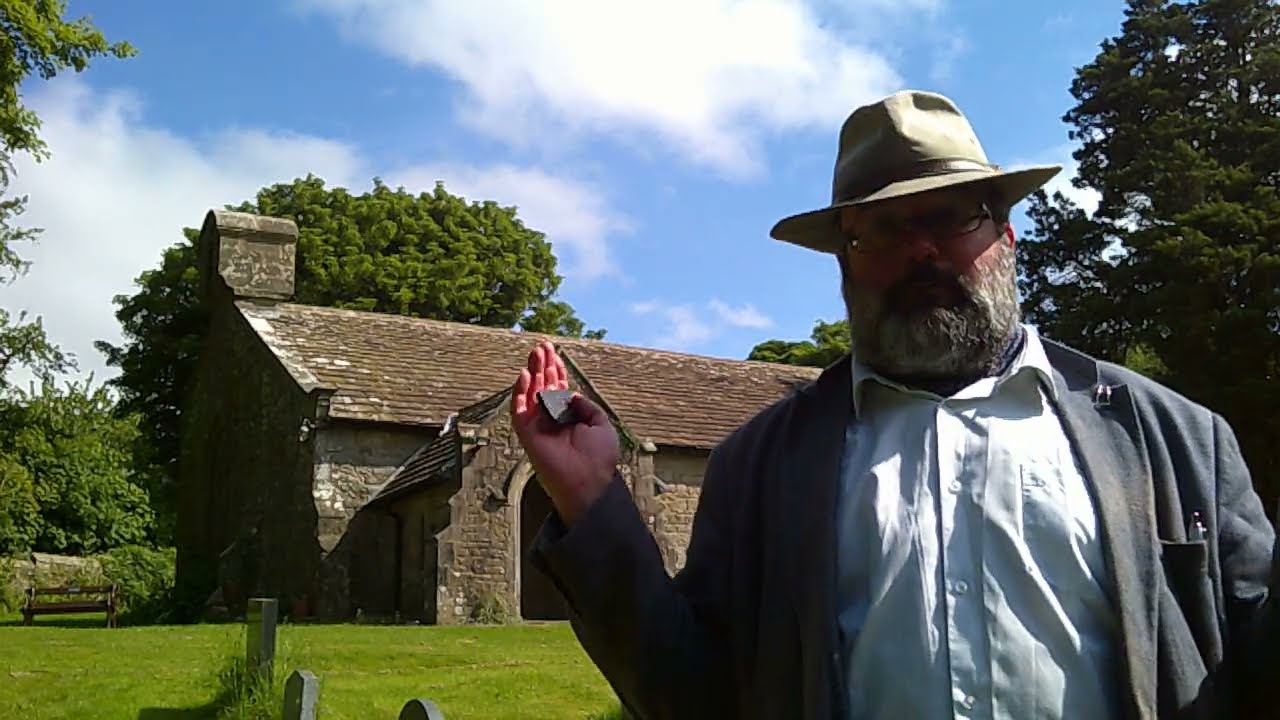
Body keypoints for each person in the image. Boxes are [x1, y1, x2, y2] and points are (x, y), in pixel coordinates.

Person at [508, 90, 1278, 719]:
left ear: (1007, 234)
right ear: (843, 261)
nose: (920, 249)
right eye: (880, 228)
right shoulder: (761, 465)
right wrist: (591, 503)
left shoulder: (1174, 437)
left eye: (952, 215)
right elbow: (692, 695)